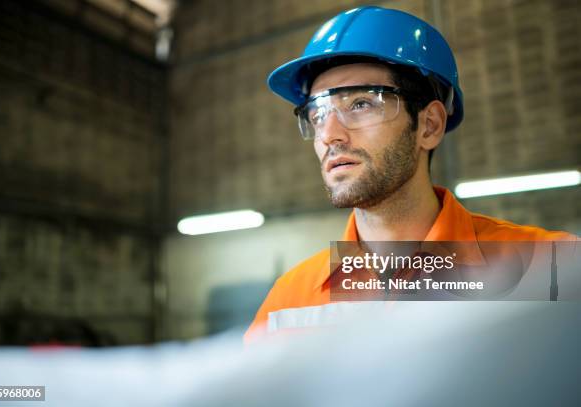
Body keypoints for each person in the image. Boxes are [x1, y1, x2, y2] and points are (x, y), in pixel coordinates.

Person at [244, 6, 577, 343]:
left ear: (429, 126)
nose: (330, 134)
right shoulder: (285, 302)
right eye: (317, 115)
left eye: (361, 104)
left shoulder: (555, 268)